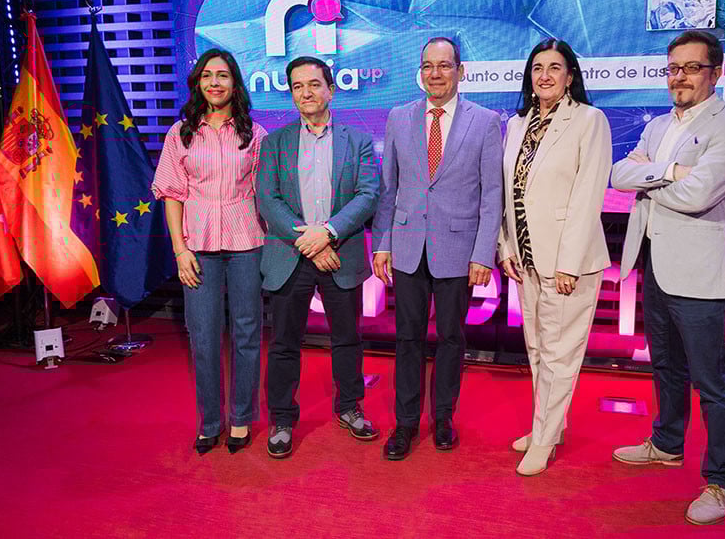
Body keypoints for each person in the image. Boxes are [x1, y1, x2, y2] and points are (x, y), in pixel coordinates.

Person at [610, 31, 725, 525]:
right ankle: (667, 443)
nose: (680, 77)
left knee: (713, 384)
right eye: (674, 68)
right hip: (655, 263)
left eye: (692, 68)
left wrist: (651, 176)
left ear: (716, 72)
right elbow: (619, 175)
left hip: (699, 272)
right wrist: (674, 171)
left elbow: (698, 197)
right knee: (666, 365)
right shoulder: (656, 126)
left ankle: (721, 481)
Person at [371, 37, 503, 461]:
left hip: (458, 250)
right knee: (407, 338)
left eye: (444, 65)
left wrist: (482, 254)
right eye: (428, 65)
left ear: (460, 71)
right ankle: (406, 423)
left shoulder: (485, 122)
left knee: (450, 337)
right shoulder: (398, 117)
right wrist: (382, 243)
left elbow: (492, 194)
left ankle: (443, 418)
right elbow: (388, 188)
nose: (435, 74)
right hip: (408, 247)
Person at [497, 39, 612, 476]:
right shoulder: (517, 123)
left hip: (568, 263)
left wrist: (569, 263)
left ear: (570, 75)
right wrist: (506, 246)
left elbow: (588, 195)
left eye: (555, 67)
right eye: (538, 67)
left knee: (561, 353)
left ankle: (544, 440)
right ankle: (548, 426)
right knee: (538, 349)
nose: (545, 75)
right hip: (526, 257)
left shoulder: (588, 121)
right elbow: (509, 192)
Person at [256, 57, 380, 458]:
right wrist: (308, 240)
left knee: (348, 338)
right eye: (297, 86)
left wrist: (327, 234)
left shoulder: (358, 140)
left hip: (339, 254)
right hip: (290, 255)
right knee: (284, 343)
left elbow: (368, 195)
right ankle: (282, 419)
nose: (306, 92)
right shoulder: (274, 142)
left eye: (313, 84)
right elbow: (268, 199)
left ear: (331, 89)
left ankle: (350, 408)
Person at [152, 48, 267, 455]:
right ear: (198, 83)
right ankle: (210, 422)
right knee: (202, 336)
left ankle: (241, 418)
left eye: (222, 75)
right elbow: (171, 194)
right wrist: (180, 251)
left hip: (246, 244)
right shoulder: (180, 133)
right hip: (197, 247)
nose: (214, 82)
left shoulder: (255, 134)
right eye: (206, 76)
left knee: (247, 333)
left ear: (235, 83)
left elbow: (265, 193)